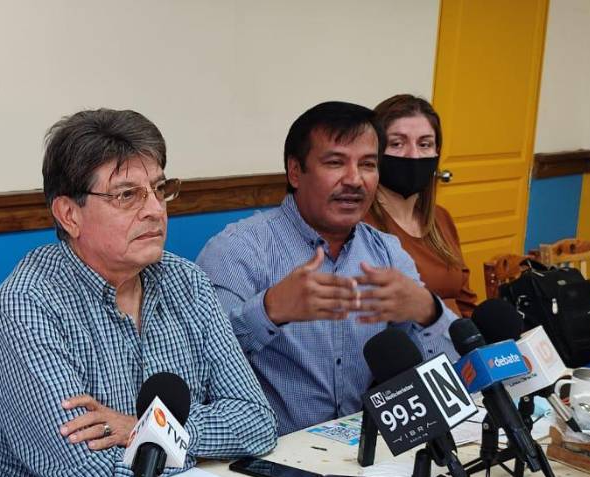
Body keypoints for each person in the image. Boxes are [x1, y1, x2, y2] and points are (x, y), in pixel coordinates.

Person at [0, 109, 278, 477]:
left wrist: (145, 430)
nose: (155, 210)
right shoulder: (28, 305)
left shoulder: (186, 282)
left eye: (159, 189)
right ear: (69, 214)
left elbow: (258, 423)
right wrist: (191, 442)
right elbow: (93, 474)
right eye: (127, 195)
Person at [196, 101, 458, 435]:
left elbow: (455, 373)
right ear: (295, 172)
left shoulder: (387, 252)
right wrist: (269, 310)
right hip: (270, 454)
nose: (355, 180)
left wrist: (428, 312)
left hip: (368, 446)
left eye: (368, 165)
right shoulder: (238, 250)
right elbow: (199, 366)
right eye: (335, 163)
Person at [366, 94, 477, 317]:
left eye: (425, 144)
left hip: (458, 336)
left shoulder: (440, 218)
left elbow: (465, 301)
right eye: (397, 144)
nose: (413, 155)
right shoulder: (359, 226)